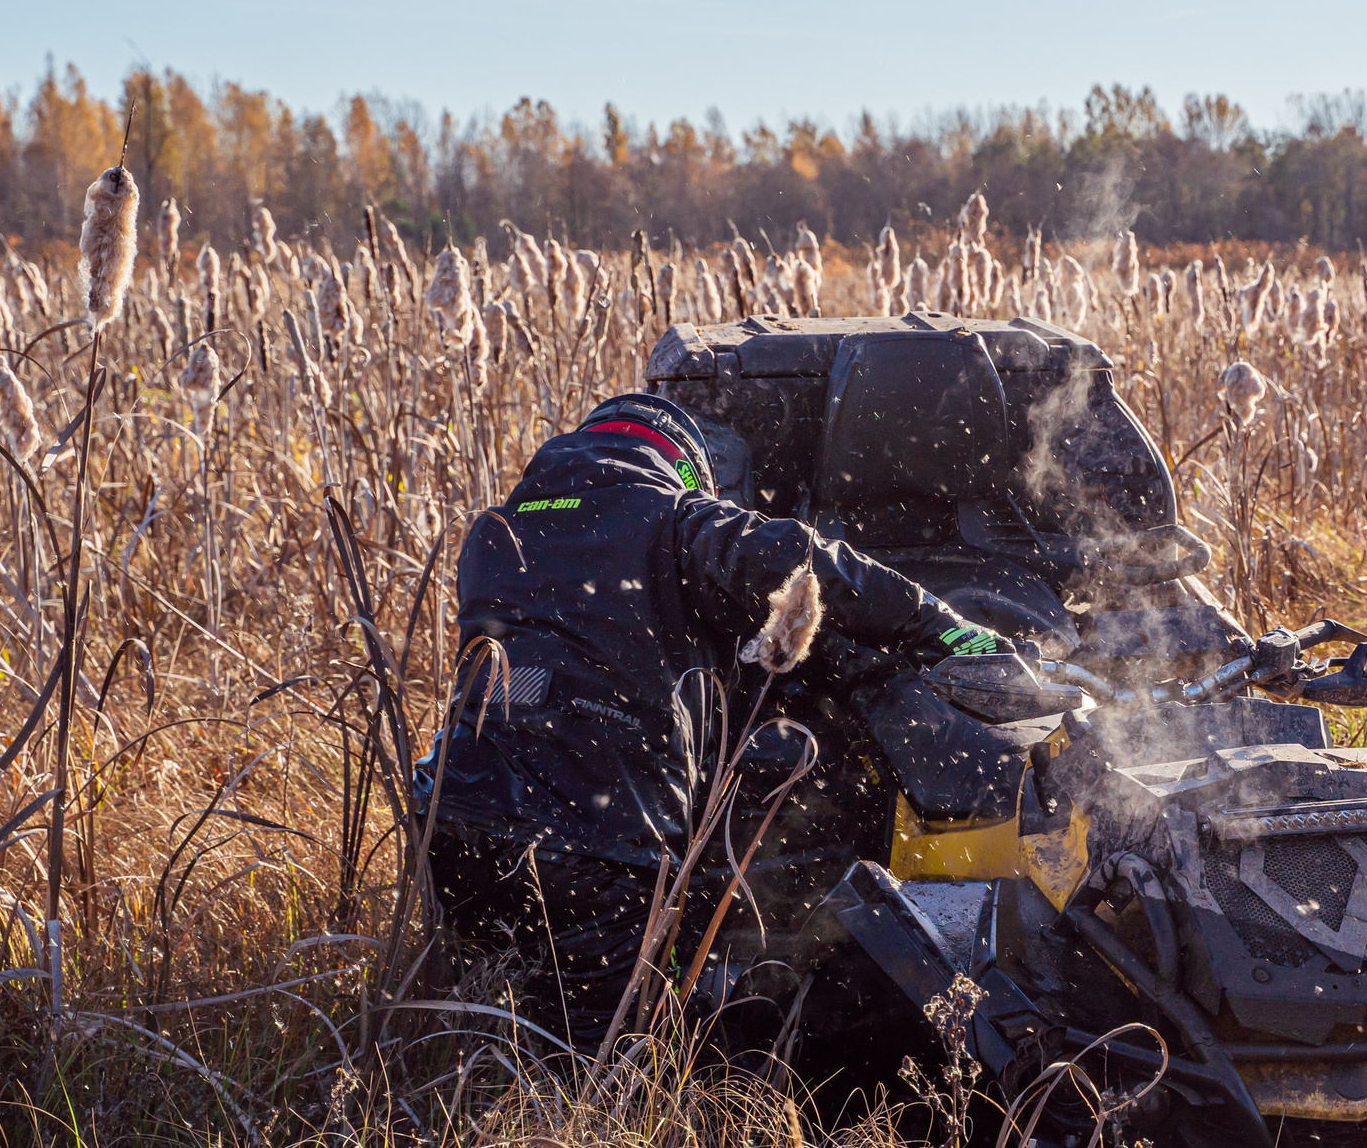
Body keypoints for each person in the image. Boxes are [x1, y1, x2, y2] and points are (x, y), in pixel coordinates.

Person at [419, 391, 1003, 1050]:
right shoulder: (671, 519)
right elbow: (804, 565)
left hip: (456, 823)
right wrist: (954, 634)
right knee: (593, 1076)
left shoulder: (494, 532)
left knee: (480, 1036)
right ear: (686, 469)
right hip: (592, 847)